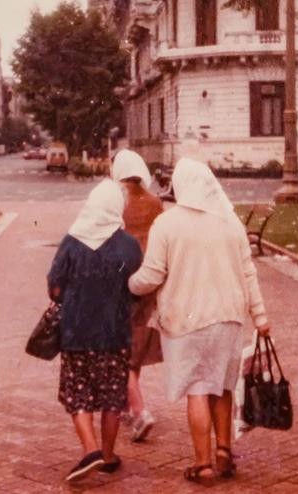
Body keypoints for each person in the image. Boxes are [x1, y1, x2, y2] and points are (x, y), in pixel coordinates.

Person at [128, 158, 270, 485]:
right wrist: (260, 317)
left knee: (197, 389)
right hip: (229, 318)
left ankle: (203, 464)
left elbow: (152, 275)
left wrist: (131, 285)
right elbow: (249, 273)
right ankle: (223, 450)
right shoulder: (230, 222)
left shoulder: (167, 224)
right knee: (221, 386)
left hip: (186, 320)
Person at [47, 179, 142, 482]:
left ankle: (90, 449)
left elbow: (54, 285)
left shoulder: (72, 241)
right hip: (115, 333)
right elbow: (137, 288)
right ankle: (109, 454)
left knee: (79, 394)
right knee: (113, 396)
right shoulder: (128, 245)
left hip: (76, 332)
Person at [110, 149, 164, 442]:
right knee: (137, 342)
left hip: (121, 282)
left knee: (120, 349)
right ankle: (128, 404)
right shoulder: (155, 203)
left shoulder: (118, 202)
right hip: (149, 281)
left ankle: (139, 411)